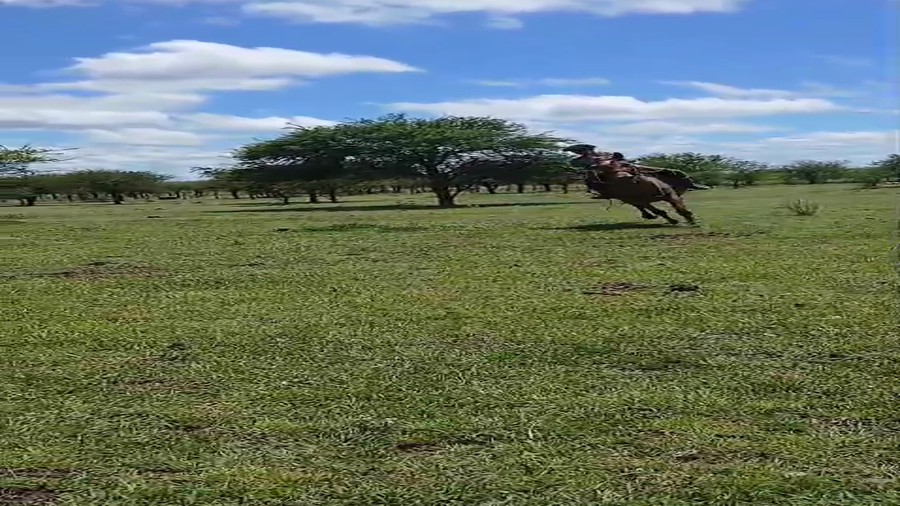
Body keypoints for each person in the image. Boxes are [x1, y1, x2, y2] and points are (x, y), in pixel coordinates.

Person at [563, 144, 710, 196]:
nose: (587, 151)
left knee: (672, 170)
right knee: (591, 180)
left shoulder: (603, 153)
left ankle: (690, 184)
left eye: (587, 149)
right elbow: (578, 167)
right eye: (583, 150)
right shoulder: (577, 161)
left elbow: (618, 156)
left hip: (624, 166)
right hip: (600, 173)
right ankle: (602, 192)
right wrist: (592, 166)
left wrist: (618, 160)